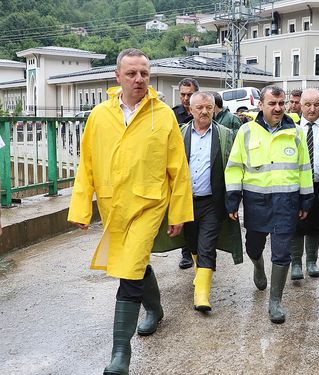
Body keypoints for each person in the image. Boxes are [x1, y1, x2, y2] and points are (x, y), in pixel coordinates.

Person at [68, 48, 193, 375]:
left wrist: (178, 212)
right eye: (132, 74)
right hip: (114, 205)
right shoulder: (99, 115)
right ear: (118, 77)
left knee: (131, 266)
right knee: (134, 264)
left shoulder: (163, 114)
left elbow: (178, 170)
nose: (139, 80)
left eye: (144, 74)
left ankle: (120, 354)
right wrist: (82, 206)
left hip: (150, 203)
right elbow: (87, 165)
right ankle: (155, 308)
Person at [225, 85, 313, 324]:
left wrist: (306, 198)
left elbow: (304, 168)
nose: (278, 108)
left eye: (281, 103)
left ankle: (275, 301)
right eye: (272, 103)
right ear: (261, 105)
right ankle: (258, 265)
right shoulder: (246, 131)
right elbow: (234, 168)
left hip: (286, 202)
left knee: (282, 252)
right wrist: (232, 199)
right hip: (256, 202)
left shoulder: (296, 133)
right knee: (253, 246)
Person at [180, 91, 239, 312]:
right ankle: (200, 275)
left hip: (212, 202)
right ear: (191, 110)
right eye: (200, 108)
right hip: (186, 202)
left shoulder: (225, 135)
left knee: (207, 246)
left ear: (214, 108)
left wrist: (233, 200)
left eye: (209, 107)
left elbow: (234, 170)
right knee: (192, 242)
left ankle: (202, 295)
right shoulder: (180, 133)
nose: (205, 111)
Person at [289, 88, 319, 280]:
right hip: (295, 185)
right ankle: (295, 263)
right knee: (296, 223)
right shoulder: (289, 127)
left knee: (315, 223)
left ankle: (311, 261)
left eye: (316, 104)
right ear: (300, 105)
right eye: (308, 104)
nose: (312, 109)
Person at [173, 77, 200, 270]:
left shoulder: (203, 110)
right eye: (182, 94)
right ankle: (186, 253)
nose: (185, 98)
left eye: (189, 94)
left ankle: (202, 251)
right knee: (183, 213)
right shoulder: (174, 115)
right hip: (181, 169)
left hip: (201, 168)